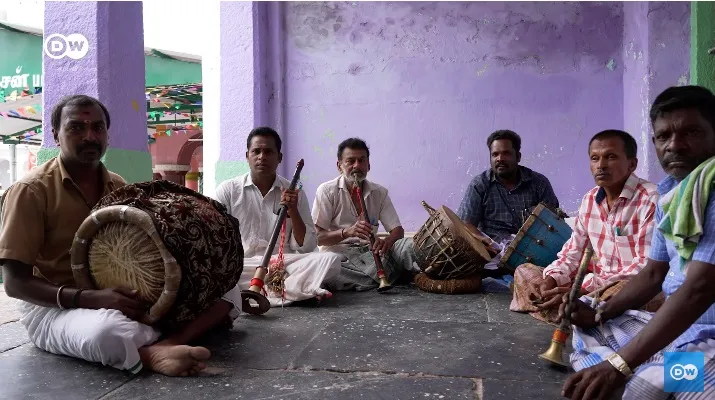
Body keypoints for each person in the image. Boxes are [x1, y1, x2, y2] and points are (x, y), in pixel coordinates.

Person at [0, 95, 240, 377]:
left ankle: (169, 343)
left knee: (228, 286)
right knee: (108, 332)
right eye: (76, 128)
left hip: (122, 296)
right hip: (55, 306)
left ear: (106, 134)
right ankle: (151, 354)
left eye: (97, 128)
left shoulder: (118, 185)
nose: (90, 136)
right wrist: (91, 298)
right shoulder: (30, 190)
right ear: (56, 135)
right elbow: (15, 284)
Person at [561, 86, 715, 399]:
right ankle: (641, 363)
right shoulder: (674, 193)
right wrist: (601, 311)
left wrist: (620, 364)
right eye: (663, 137)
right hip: (680, 325)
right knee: (591, 317)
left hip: (708, 333)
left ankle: (639, 370)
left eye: (692, 133)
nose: (675, 146)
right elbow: (654, 273)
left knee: (645, 386)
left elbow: (699, 289)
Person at [510, 130, 661, 324]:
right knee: (524, 272)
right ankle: (574, 311)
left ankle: (569, 310)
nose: (601, 165)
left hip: (629, 286)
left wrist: (586, 288)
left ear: (632, 164)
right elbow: (572, 253)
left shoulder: (651, 198)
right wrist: (552, 280)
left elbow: (646, 268)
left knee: (622, 292)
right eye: (595, 158)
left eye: (611, 157)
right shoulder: (590, 200)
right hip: (594, 286)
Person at [215, 127, 340, 307]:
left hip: (283, 264)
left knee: (330, 260)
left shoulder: (294, 192)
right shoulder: (228, 191)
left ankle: (259, 292)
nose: (262, 157)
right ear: (247, 156)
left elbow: (307, 247)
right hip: (244, 264)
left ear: (279, 157)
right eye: (256, 151)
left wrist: (293, 211)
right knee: (218, 270)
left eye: (268, 152)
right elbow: (216, 237)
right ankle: (293, 291)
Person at [312, 137, 419, 291]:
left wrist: (387, 241)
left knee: (410, 246)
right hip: (342, 257)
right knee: (325, 267)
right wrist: (347, 232)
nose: (357, 166)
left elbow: (398, 231)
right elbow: (318, 238)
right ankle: (392, 275)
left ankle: (370, 280)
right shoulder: (327, 191)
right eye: (350, 161)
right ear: (339, 165)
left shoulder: (379, 192)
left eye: (362, 160)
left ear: (369, 165)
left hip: (372, 252)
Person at [456, 129, 560, 245]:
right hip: (493, 252)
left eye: (506, 153)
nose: (500, 159)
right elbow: (465, 223)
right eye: (495, 154)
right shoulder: (479, 184)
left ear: (518, 157)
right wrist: (485, 242)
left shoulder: (539, 183)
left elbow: (554, 219)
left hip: (534, 249)